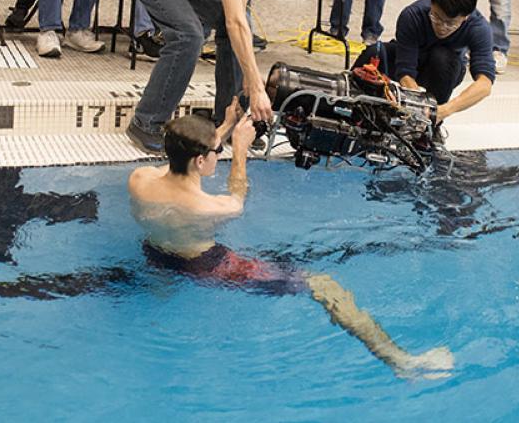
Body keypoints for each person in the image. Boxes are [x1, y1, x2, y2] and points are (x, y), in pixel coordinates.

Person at [128, 108, 453, 378]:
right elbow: (238, 198)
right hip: (207, 266)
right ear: (201, 160)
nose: (221, 154)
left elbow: (182, 158)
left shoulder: (140, 179)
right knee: (323, 284)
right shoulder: (208, 207)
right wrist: (240, 151)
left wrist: (225, 129)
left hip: (157, 254)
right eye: (217, 151)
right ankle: (400, 362)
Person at [119, 0, 309, 152]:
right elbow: (235, 21)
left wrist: (248, 71)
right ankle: (147, 122)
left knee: (235, 35)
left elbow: (237, 23)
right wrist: (255, 86)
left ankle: (227, 120)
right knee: (188, 36)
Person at [354, 0, 494, 121]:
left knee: (441, 56)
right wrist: (416, 105)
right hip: (412, 58)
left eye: (450, 24)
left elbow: (485, 84)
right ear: (432, 4)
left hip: (444, 70)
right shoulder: (413, 15)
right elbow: (405, 70)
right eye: (436, 17)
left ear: (465, 18)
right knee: (374, 52)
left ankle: (432, 125)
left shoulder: (478, 28)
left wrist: (441, 111)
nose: (441, 27)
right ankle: (350, 105)